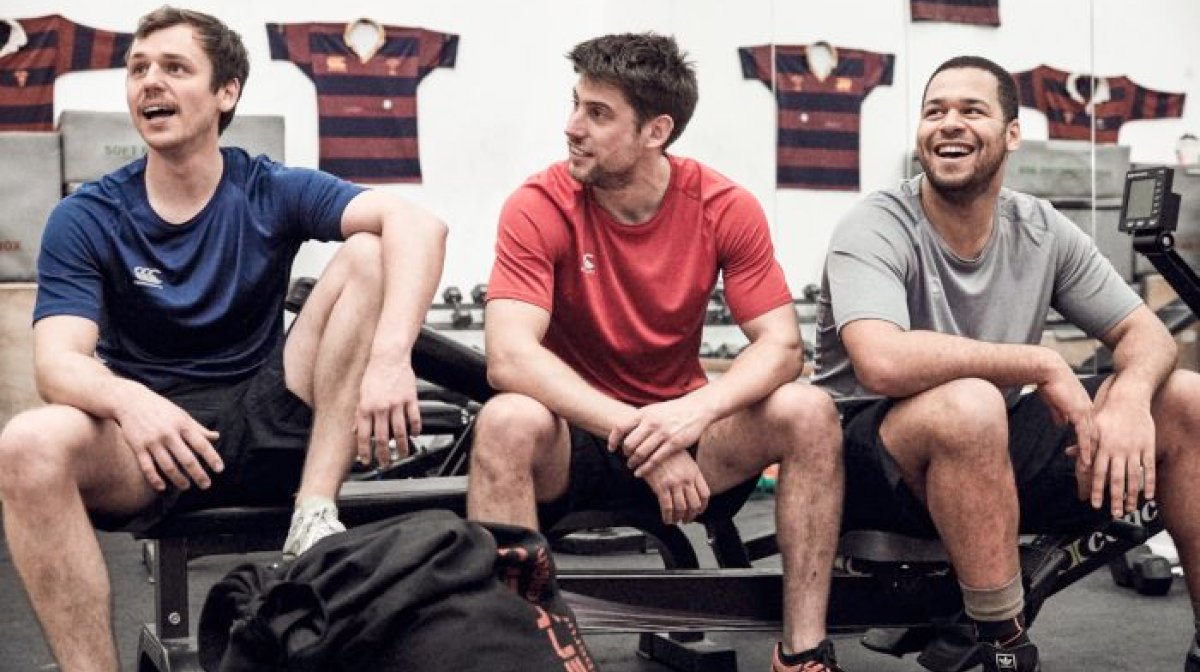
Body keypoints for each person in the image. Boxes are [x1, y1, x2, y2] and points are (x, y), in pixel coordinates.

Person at [0, 7, 447, 672]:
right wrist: (132, 402)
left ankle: (314, 512)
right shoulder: (87, 216)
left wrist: (389, 359)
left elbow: (420, 224)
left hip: (271, 415)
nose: (151, 83)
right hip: (153, 447)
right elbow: (57, 363)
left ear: (226, 93)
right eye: (139, 69)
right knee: (26, 444)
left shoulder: (267, 187)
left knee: (369, 253)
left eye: (175, 68)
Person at [466, 33, 846, 672]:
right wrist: (648, 440)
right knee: (505, 419)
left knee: (808, 411)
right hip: (577, 441)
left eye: (598, 113)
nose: (572, 128)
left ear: (656, 130)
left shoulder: (724, 206)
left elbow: (783, 346)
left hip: (690, 437)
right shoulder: (538, 205)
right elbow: (509, 357)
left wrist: (692, 416)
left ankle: (802, 653)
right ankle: (520, 659)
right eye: (575, 105)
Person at [814, 54, 1200, 672]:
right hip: (864, 460)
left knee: (1185, 399)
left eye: (972, 110)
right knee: (972, 402)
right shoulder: (876, 222)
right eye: (934, 110)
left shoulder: (1040, 227)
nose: (949, 123)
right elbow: (880, 360)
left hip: (989, 438)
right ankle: (1002, 647)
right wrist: (1041, 364)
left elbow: (1145, 333)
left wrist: (1129, 400)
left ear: (1012, 134)